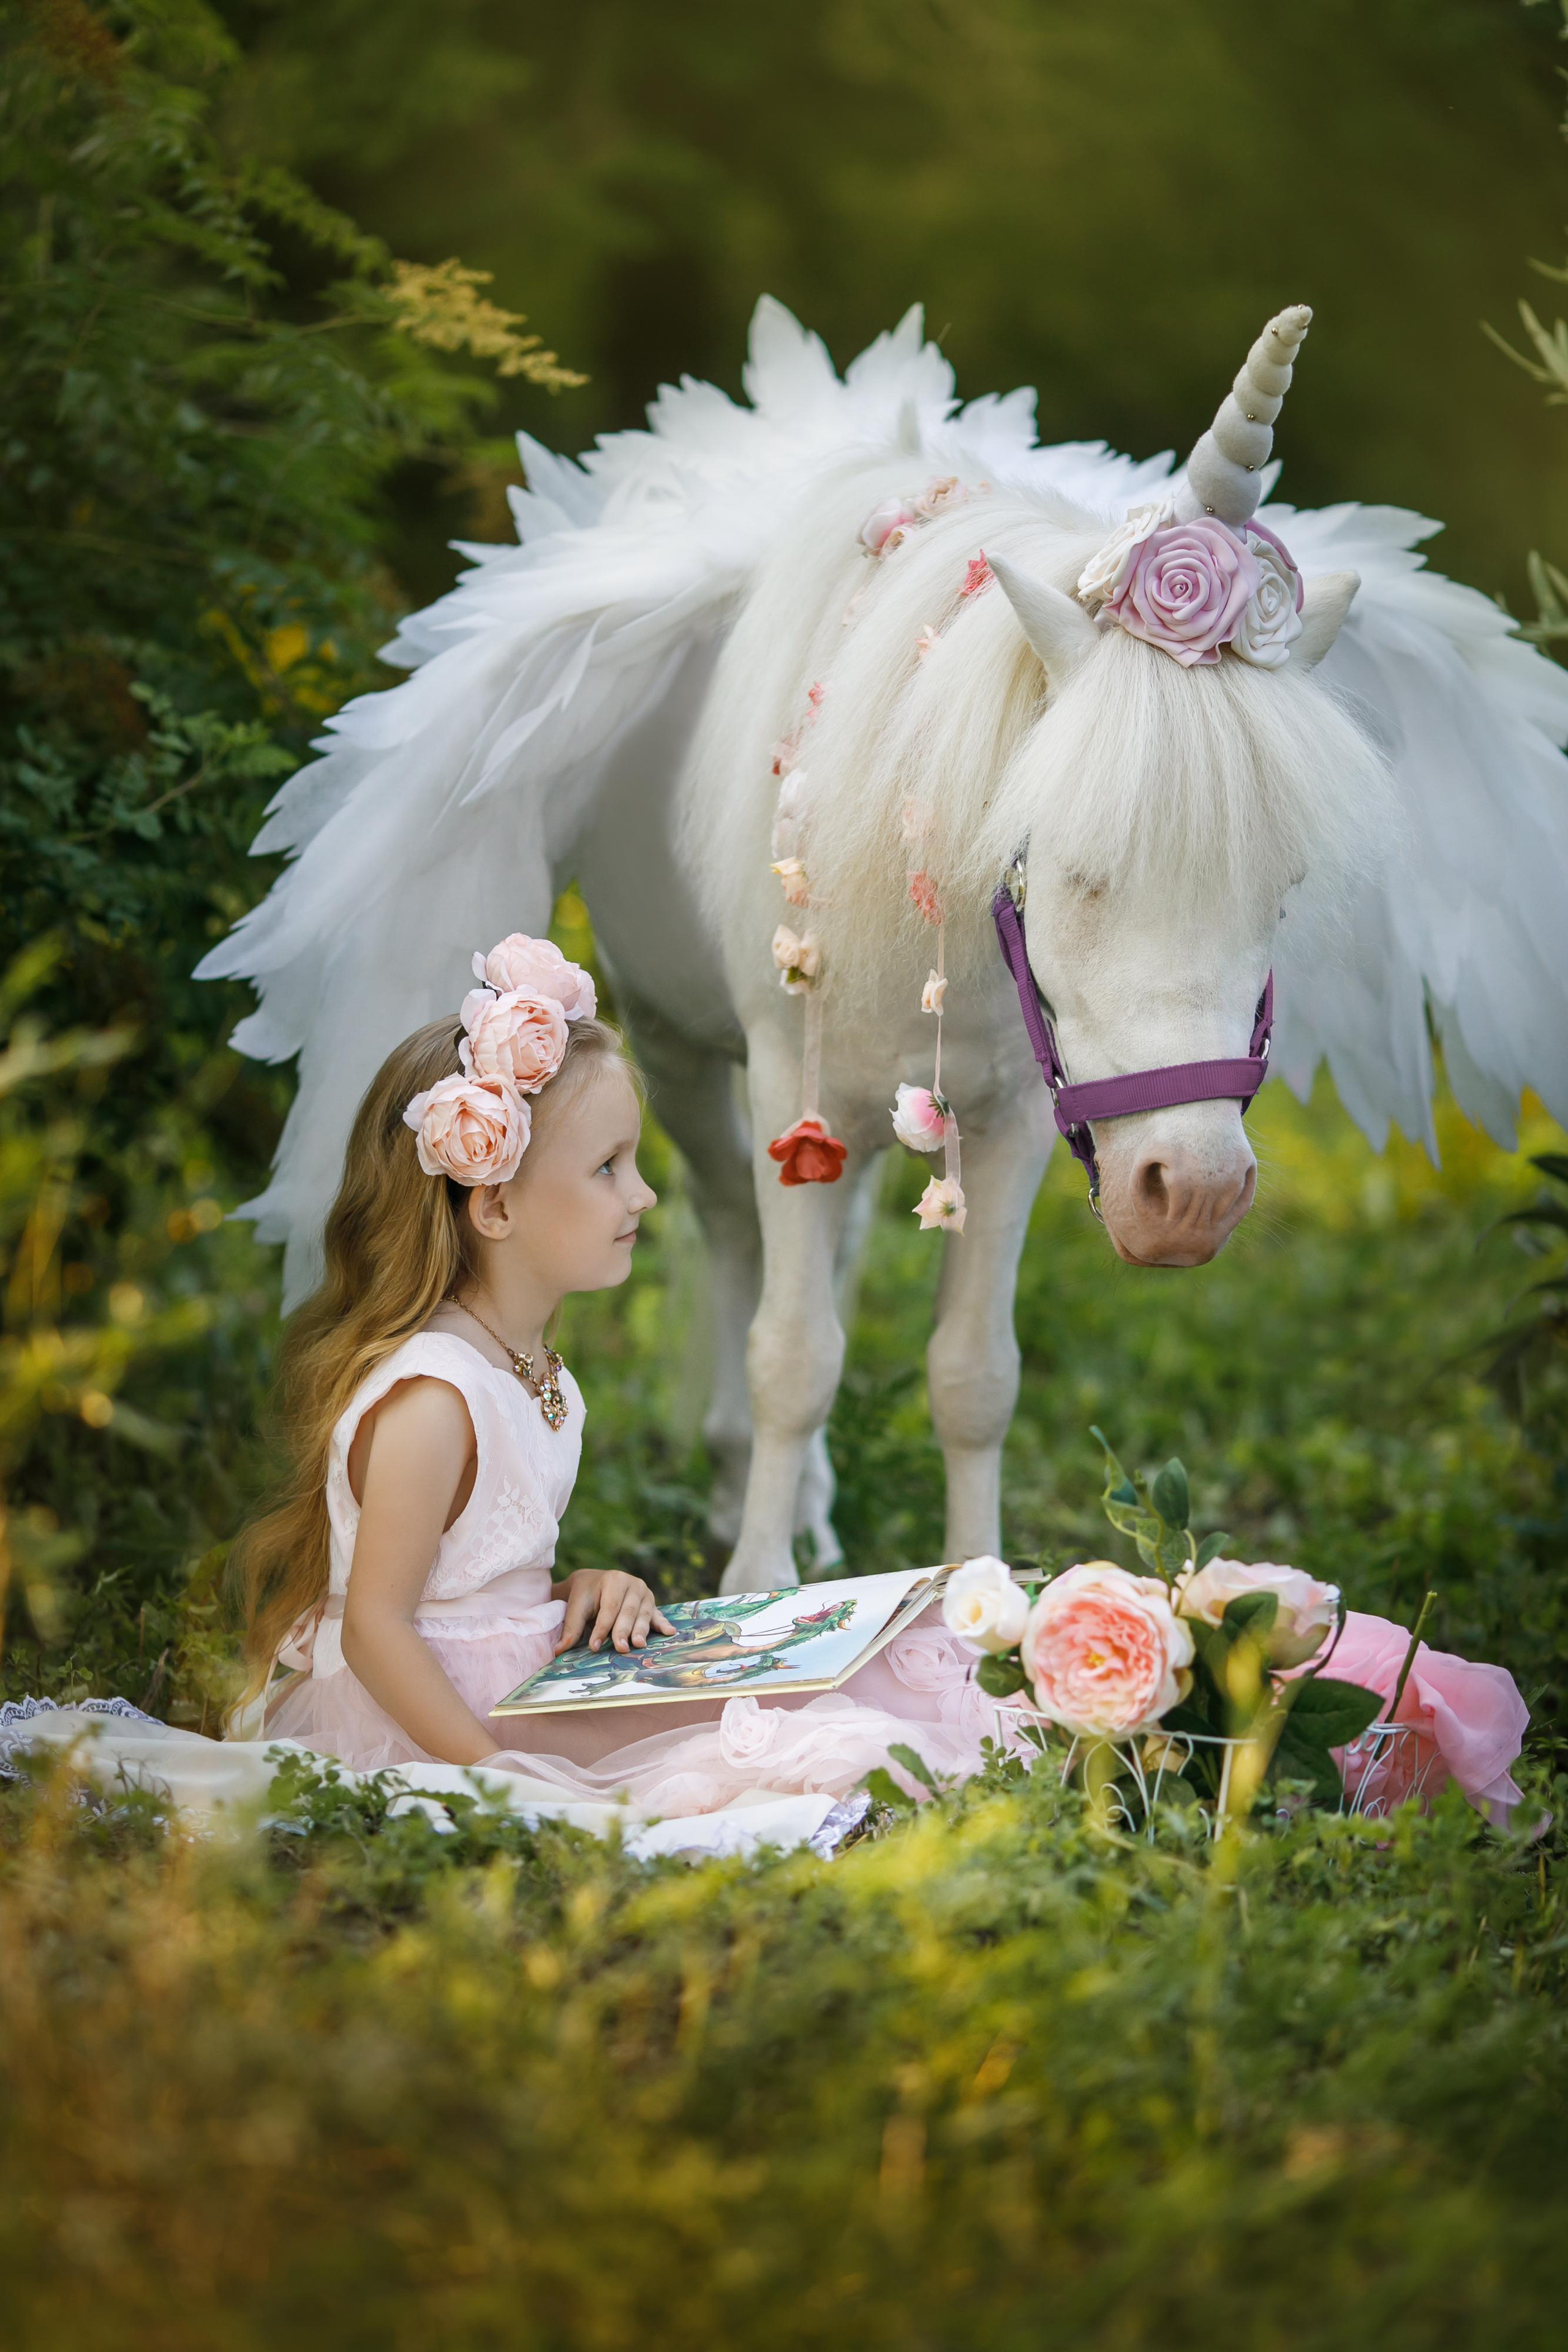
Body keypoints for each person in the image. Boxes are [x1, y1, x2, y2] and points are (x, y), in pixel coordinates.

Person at [235, 934, 1000, 1815]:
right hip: (442, 1723)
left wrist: (578, 1591)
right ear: (496, 1205)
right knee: (787, 1733)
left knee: (873, 1658)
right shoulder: (435, 1399)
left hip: (519, 1685)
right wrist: (496, 1776)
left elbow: (472, 1593)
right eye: (607, 1168)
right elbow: (377, 1628)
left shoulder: (529, 1366)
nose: (642, 1195)